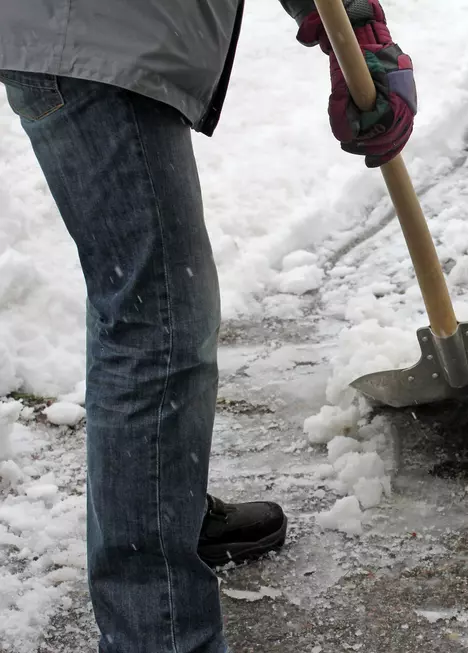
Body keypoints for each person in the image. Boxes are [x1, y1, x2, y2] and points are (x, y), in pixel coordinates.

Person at [0, 0, 416, 651]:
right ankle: (158, 633)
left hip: (86, 31)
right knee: (155, 323)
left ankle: (164, 511)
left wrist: (353, 31)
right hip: (92, 31)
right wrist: (361, 28)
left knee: (144, 309)